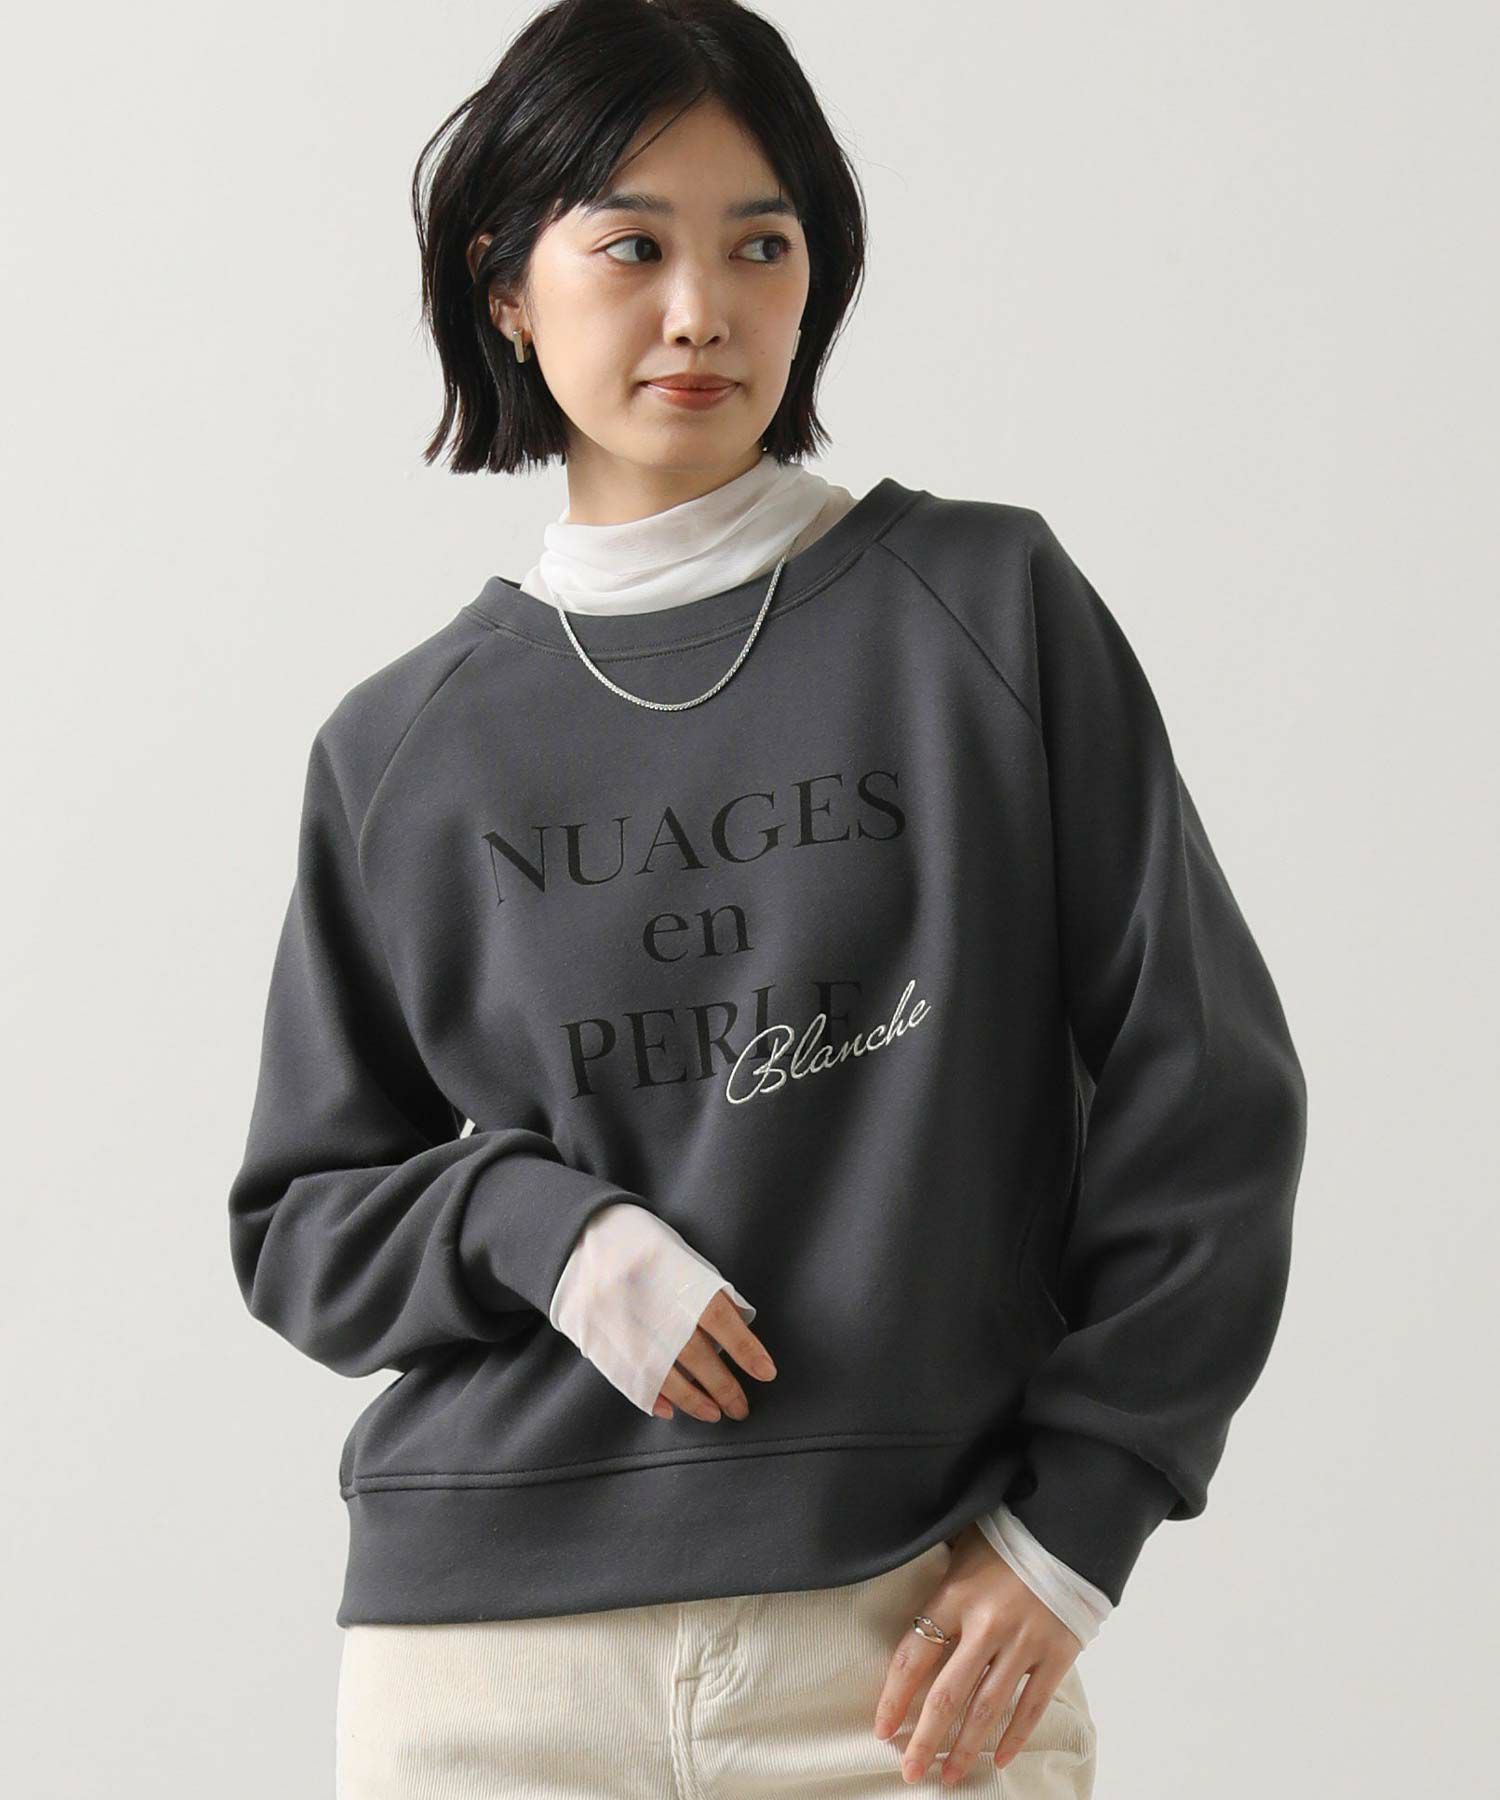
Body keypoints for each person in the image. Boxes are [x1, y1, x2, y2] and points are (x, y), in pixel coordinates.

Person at [226, 2, 1309, 1793]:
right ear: (506, 285)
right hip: (489, 1668)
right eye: (631, 246)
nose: (700, 311)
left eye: (760, 245)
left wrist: (1077, 1526)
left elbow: (1208, 1092)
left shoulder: (982, 614)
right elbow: (300, 1221)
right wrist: (542, 1231)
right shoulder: (402, 747)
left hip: (904, 1647)